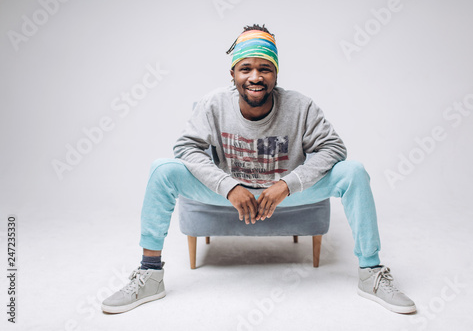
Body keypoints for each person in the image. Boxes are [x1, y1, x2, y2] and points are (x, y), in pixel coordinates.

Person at [101, 24, 416, 315]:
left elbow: (334, 148)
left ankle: (371, 273)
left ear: (276, 73)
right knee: (162, 169)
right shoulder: (213, 104)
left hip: (282, 194)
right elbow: (186, 148)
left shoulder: (301, 106)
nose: (255, 76)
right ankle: (150, 273)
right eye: (246, 68)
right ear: (233, 73)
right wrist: (228, 186)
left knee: (354, 171)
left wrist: (287, 184)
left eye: (264, 68)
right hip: (229, 194)